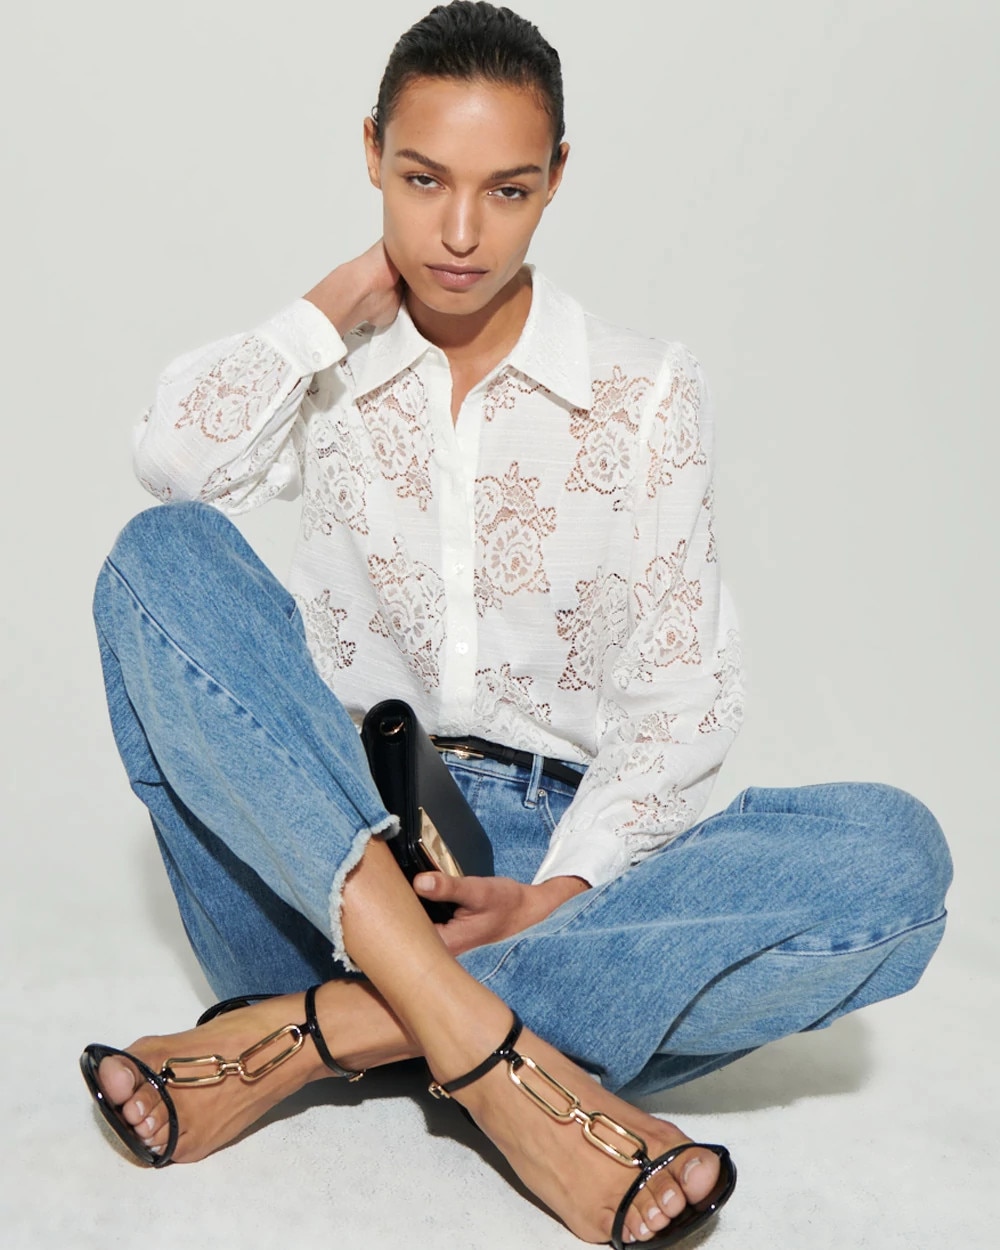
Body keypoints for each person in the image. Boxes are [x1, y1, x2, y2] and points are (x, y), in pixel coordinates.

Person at [80, 3, 952, 1246]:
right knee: (155, 560)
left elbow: (681, 700)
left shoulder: (643, 390)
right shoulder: (329, 370)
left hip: (557, 884)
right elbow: (171, 460)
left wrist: (559, 897)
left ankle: (319, 1034)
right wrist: (334, 304)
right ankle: (502, 1056)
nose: (458, 232)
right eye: (422, 178)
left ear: (556, 179)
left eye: (507, 189)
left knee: (893, 854)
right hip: (318, 859)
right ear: (370, 150)